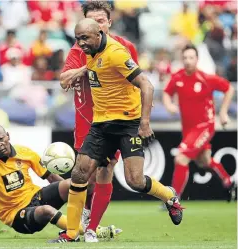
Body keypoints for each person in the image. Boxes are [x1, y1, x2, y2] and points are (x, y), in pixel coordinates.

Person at [50, 19, 184, 243]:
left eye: (85, 38)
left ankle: (169, 196)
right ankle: (71, 233)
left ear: (99, 33)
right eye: (77, 39)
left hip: (128, 124)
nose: (81, 43)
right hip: (101, 124)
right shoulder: (90, 52)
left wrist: (145, 122)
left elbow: (147, 84)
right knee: (79, 173)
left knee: (135, 180)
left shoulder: (116, 53)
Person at [60, 1, 138, 242]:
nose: (97, 25)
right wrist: (86, 67)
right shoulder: (77, 49)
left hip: (114, 119)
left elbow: (137, 80)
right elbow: (63, 80)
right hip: (86, 119)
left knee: (105, 170)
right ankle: (80, 221)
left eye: (101, 21)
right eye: (92, 21)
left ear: (109, 23)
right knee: (83, 174)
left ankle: (90, 226)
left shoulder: (124, 47)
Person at [0, 124, 115, 239]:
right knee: (47, 211)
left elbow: (51, 177)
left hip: (36, 196)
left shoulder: (25, 152)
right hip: (15, 214)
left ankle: (88, 222)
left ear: (8, 136)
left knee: (77, 184)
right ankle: (87, 231)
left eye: (0, 138)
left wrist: (72, 191)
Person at [163, 44, 235, 201]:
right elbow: (167, 93)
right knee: (204, 161)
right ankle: (228, 182)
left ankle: (173, 199)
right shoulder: (178, 77)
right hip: (188, 129)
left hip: (205, 126)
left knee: (181, 157)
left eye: (191, 58)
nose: (188, 61)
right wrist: (169, 105)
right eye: (185, 58)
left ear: (197, 59)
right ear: (182, 60)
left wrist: (223, 113)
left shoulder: (206, 78)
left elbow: (229, 88)